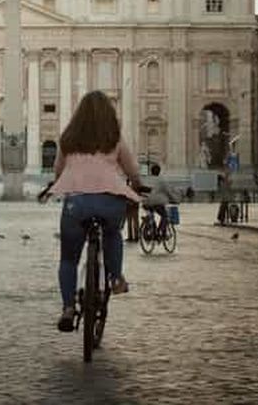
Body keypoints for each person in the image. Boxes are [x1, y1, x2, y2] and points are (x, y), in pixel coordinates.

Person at [49, 91, 143, 333]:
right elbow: (133, 170)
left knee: (68, 258)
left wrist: (61, 181)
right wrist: (137, 183)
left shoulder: (68, 139)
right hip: (109, 201)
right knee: (112, 234)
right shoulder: (114, 138)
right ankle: (115, 277)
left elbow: (58, 171)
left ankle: (68, 307)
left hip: (76, 204)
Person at [142, 163, 178, 238]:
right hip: (156, 203)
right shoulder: (161, 180)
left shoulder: (146, 179)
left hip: (145, 202)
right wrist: (175, 199)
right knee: (165, 216)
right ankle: (159, 232)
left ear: (151, 171)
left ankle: (152, 229)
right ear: (159, 172)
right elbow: (168, 192)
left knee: (151, 214)